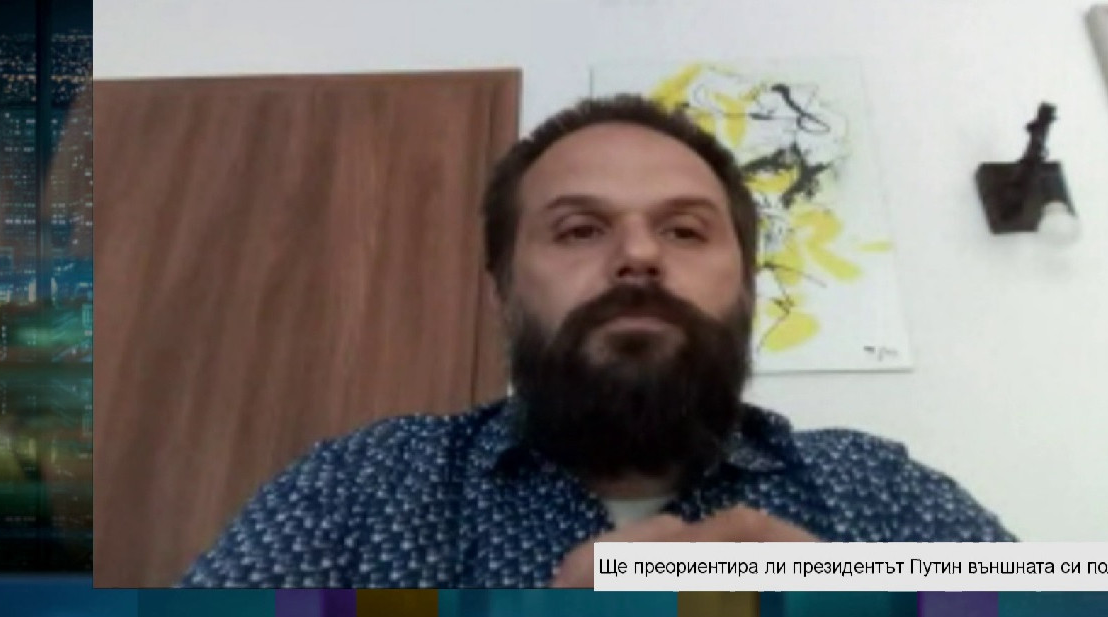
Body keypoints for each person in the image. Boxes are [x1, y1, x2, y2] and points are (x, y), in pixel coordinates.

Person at [180, 94, 1013, 589]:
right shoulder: (358, 492)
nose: (638, 256)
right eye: (579, 230)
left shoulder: (882, 496)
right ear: (505, 291)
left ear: (746, 286)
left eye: (685, 231)